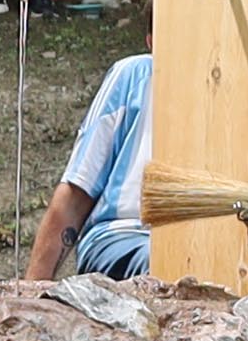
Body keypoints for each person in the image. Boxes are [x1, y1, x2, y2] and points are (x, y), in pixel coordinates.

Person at [25, 52, 156, 282]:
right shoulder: (135, 75)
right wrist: (31, 297)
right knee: (163, 261)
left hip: (202, 244)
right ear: (151, 40)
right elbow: (76, 193)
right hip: (123, 236)